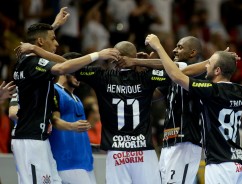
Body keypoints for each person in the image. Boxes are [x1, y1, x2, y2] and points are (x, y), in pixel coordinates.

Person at [23, 40, 170, 184]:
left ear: (114, 57)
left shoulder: (102, 76)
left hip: (116, 152)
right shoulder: (146, 77)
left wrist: (37, 50)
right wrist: (141, 62)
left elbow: (65, 63)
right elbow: (175, 69)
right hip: (144, 151)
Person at [145, 34, 242, 184]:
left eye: (210, 63)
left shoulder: (211, 89)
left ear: (217, 71)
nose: (206, 65)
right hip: (238, 162)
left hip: (219, 163)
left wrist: (158, 46)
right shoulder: (241, 90)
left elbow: (177, 75)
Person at [11, 21, 119, 183]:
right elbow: (63, 66)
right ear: (40, 41)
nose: (57, 42)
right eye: (53, 38)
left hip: (39, 139)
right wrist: (98, 55)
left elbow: (61, 60)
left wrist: (37, 44)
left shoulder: (28, 62)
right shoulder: (31, 63)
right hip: (30, 140)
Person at [117, 36, 205, 184]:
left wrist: (137, 60)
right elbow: (151, 95)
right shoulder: (172, 75)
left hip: (186, 140)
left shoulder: (198, 71)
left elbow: (173, 66)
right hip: (169, 140)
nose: (174, 50)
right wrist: (142, 72)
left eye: (180, 47)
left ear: (192, 53)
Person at [49, 52, 96, 183]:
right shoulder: (54, 91)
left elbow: (78, 130)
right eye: (76, 71)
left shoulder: (77, 98)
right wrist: (72, 126)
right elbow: (54, 120)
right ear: (66, 69)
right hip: (66, 163)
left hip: (86, 162)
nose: (79, 76)